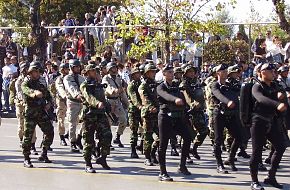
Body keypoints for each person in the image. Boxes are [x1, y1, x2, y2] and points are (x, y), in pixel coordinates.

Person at [249, 63, 287, 190]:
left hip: (271, 121)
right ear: (262, 72)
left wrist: (282, 97)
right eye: (270, 70)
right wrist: (276, 104)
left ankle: (271, 176)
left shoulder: (275, 85)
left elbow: (283, 96)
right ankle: (254, 181)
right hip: (258, 122)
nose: (273, 72)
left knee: (280, 147)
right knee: (256, 152)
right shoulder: (257, 86)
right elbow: (260, 99)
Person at [157, 65, 192, 181]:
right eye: (169, 72)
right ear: (164, 74)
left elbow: (183, 96)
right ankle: (162, 172)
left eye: (172, 72)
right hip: (165, 117)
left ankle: (182, 166)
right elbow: (165, 95)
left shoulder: (177, 86)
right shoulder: (161, 86)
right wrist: (174, 99)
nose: (172, 74)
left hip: (177, 117)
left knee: (187, 137)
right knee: (163, 144)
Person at [21, 61, 54, 168]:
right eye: (36, 71)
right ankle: (26, 158)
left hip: (41, 112)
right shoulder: (25, 83)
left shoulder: (41, 85)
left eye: (39, 72)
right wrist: (34, 93)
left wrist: (49, 103)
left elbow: (49, 96)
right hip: (30, 113)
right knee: (28, 137)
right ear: (31, 72)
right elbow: (26, 90)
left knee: (50, 132)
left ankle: (44, 153)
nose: (38, 73)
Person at [80, 64, 112, 173]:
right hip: (89, 115)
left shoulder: (98, 84)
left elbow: (102, 97)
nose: (96, 73)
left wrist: (107, 105)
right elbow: (89, 97)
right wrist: (97, 103)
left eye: (96, 71)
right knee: (88, 140)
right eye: (93, 71)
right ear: (88, 72)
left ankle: (103, 158)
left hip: (100, 114)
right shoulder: (85, 85)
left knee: (107, 135)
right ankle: (88, 163)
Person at [211, 64, 242, 174]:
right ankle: (219, 164)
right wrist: (227, 101)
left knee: (239, 136)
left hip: (231, 114)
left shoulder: (230, 85)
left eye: (225, 70)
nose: (224, 72)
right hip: (220, 114)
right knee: (218, 139)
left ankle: (231, 158)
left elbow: (238, 94)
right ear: (217, 73)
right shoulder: (214, 85)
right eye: (221, 70)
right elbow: (218, 95)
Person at [180, 64, 208, 160]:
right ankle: (186, 154)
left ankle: (194, 148)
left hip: (198, 111)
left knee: (204, 131)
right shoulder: (184, 84)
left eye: (193, 71)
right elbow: (187, 97)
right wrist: (193, 104)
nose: (192, 73)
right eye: (189, 72)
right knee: (188, 134)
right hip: (188, 112)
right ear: (185, 73)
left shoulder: (196, 82)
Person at [102, 62, 129, 148]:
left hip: (117, 101)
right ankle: (107, 141)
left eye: (115, 68)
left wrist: (126, 103)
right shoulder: (106, 78)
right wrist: (115, 90)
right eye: (113, 68)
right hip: (109, 101)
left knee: (123, 120)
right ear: (109, 69)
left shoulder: (119, 78)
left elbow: (122, 91)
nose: (115, 69)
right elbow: (108, 88)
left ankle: (117, 136)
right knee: (108, 123)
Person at [138, 63, 160, 166]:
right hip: (148, 114)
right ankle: (147, 157)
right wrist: (151, 107)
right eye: (152, 72)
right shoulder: (143, 86)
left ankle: (152, 153)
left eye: (154, 71)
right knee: (148, 136)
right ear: (146, 73)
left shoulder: (156, 84)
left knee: (161, 136)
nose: (154, 73)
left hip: (157, 113)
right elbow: (144, 98)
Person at [63, 59, 85, 152]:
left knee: (86, 120)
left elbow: (85, 87)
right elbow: (71, 88)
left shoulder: (81, 78)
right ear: (71, 68)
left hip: (82, 102)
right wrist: (77, 95)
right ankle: (72, 142)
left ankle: (79, 138)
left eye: (78, 67)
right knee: (73, 122)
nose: (78, 68)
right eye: (76, 67)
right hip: (73, 101)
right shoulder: (67, 78)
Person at [127, 67, 143, 158]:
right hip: (134, 111)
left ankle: (141, 146)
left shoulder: (141, 84)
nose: (139, 75)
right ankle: (133, 150)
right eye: (137, 73)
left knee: (145, 129)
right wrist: (139, 106)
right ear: (133, 75)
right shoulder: (131, 86)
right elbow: (134, 98)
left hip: (142, 110)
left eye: (139, 73)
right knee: (134, 131)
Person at [55, 63, 70, 146]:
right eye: (66, 69)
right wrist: (65, 96)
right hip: (62, 101)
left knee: (75, 119)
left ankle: (68, 134)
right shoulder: (59, 79)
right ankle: (62, 137)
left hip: (71, 100)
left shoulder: (70, 78)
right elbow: (60, 89)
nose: (68, 70)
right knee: (61, 119)